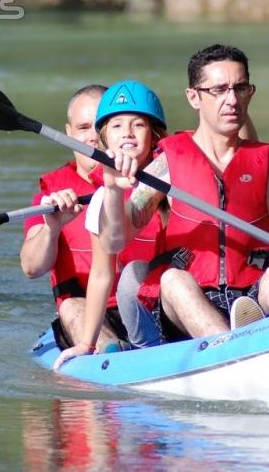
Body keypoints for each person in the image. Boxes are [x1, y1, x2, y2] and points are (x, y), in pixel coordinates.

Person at [98, 44, 269, 339]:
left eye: (240, 88)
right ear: (194, 97)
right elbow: (113, 241)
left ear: (251, 92)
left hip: (256, 289)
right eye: (219, 90)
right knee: (173, 279)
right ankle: (231, 344)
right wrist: (112, 190)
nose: (231, 100)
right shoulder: (167, 163)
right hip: (191, 298)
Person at [53, 81, 169, 368]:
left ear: (154, 135)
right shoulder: (101, 200)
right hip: (141, 306)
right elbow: (102, 274)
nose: (127, 133)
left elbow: (223, 134)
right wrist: (85, 343)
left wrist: (262, 150)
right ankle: (116, 350)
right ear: (103, 138)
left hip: (182, 293)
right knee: (131, 276)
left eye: (138, 125)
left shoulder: (174, 166)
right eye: (116, 126)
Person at [21, 84, 127, 350]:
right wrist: (52, 229)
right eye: (82, 128)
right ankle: (112, 356)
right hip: (88, 313)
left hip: (144, 306)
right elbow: (31, 268)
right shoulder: (50, 196)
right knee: (70, 305)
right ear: (68, 134)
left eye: (99, 125)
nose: (92, 137)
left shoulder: (146, 183)